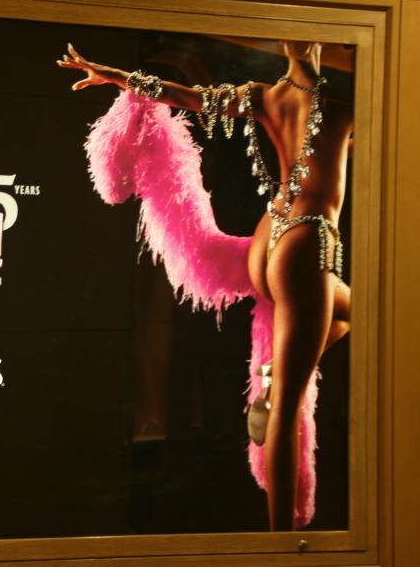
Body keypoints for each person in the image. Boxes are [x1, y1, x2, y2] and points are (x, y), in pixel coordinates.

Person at [58, 40, 351, 530]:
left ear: (285, 44)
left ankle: (275, 375)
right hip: (305, 243)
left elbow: (185, 95)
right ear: (319, 42)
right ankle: (281, 545)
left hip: (268, 238)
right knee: (287, 410)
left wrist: (115, 74)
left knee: (353, 311)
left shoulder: (266, 96)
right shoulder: (341, 107)